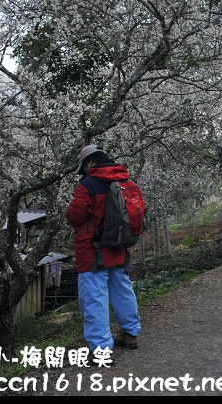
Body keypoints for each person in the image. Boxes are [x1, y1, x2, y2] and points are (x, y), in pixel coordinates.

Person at [66, 144, 142, 354]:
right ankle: (130, 333)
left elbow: (74, 215)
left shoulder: (89, 184)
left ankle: (101, 349)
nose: (85, 172)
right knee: (122, 289)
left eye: (85, 167)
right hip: (118, 246)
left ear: (90, 162)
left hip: (92, 250)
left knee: (94, 297)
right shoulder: (126, 180)